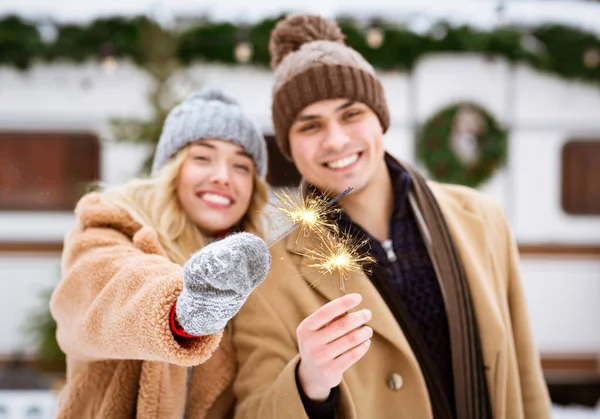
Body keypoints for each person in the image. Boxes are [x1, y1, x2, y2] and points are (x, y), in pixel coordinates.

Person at [231, 14, 552, 419]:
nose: (335, 139)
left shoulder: (482, 219)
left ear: (380, 117)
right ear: (290, 148)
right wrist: (308, 383)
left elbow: (524, 375)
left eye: (351, 115)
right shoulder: (269, 275)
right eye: (310, 126)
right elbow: (252, 411)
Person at [50, 87, 272, 419]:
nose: (223, 177)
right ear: (172, 170)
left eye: (241, 166)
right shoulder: (110, 227)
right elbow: (98, 291)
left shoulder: (260, 271)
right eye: (202, 158)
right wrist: (185, 307)